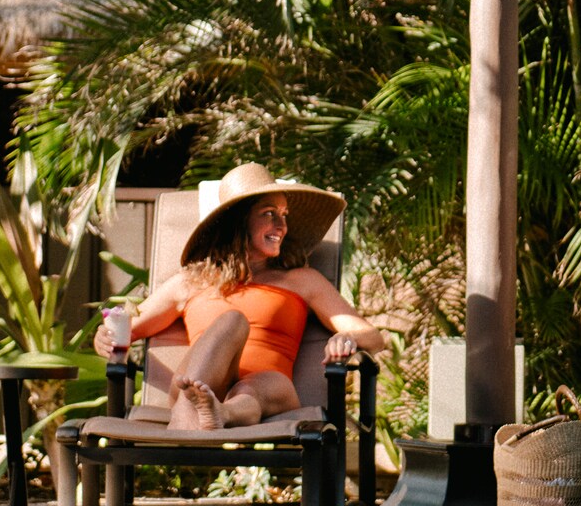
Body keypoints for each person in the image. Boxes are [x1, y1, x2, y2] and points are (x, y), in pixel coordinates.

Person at [92, 163, 386, 430]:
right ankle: (191, 411)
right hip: (199, 386)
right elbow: (124, 329)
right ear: (239, 221)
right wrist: (103, 337)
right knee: (232, 321)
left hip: (268, 392)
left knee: (263, 384)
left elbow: (373, 337)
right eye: (269, 214)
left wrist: (348, 338)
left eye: (284, 215)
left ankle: (219, 414)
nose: (281, 226)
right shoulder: (190, 282)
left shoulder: (302, 280)